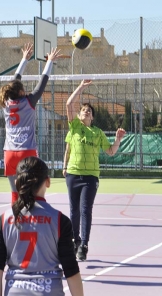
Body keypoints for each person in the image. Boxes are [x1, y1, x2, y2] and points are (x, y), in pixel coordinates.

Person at [0, 156, 84, 296]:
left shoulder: (4, 220)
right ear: (47, 182)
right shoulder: (59, 220)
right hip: (49, 291)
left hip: (15, 291)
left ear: (16, 183)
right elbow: (71, 271)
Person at [64, 79, 126, 261]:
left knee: (85, 210)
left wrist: (117, 139)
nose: (86, 111)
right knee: (73, 210)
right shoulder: (75, 126)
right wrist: (81, 87)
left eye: (89, 111)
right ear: (80, 115)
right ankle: (76, 240)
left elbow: (111, 151)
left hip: (90, 177)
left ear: (92, 117)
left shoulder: (97, 133)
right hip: (73, 174)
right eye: (84, 110)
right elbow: (69, 104)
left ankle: (84, 245)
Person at [0, 43, 62, 205]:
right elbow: (42, 82)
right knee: (32, 189)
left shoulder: (6, 102)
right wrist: (50, 62)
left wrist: (24, 59)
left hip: (10, 153)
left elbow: (14, 81)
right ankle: (33, 218)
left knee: (14, 192)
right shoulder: (29, 101)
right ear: (20, 92)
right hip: (27, 151)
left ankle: (15, 222)